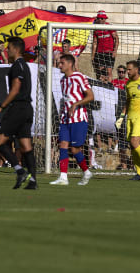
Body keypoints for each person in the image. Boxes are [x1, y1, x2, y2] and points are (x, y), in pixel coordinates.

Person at [0, 36, 37, 190]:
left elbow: (15, 89)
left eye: (8, 47)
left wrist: (1, 107)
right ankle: (33, 181)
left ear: (15, 49)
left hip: (17, 108)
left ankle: (20, 170)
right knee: (26, 146)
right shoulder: (25, 65)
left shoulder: (17, 66)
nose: (6, 50)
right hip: (27, 109)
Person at [50, 54, 95, 186]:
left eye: (62, 63)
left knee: (75, 149)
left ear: (70, 64)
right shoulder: (63, 80)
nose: (59, 65)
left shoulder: (79, 77)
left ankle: (86, 172)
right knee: (62, 145)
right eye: (59, 63)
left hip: (79, 118)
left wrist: (76, 104)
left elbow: (91, 96)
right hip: (65, 119)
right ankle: (63, 177)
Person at [91, 10, 118, 81]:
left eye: (102, 18)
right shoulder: (96, 29)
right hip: (100, 53)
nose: (100, 20)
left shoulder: (109, 27)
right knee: (100, 72)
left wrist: (115, 51)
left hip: (109, 52)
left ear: (105, 19)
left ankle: (109, 88)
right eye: (99, 18)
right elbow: (95, 43)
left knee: (109, 71)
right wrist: (93, 55)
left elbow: (117, 39)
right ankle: (101, 87)